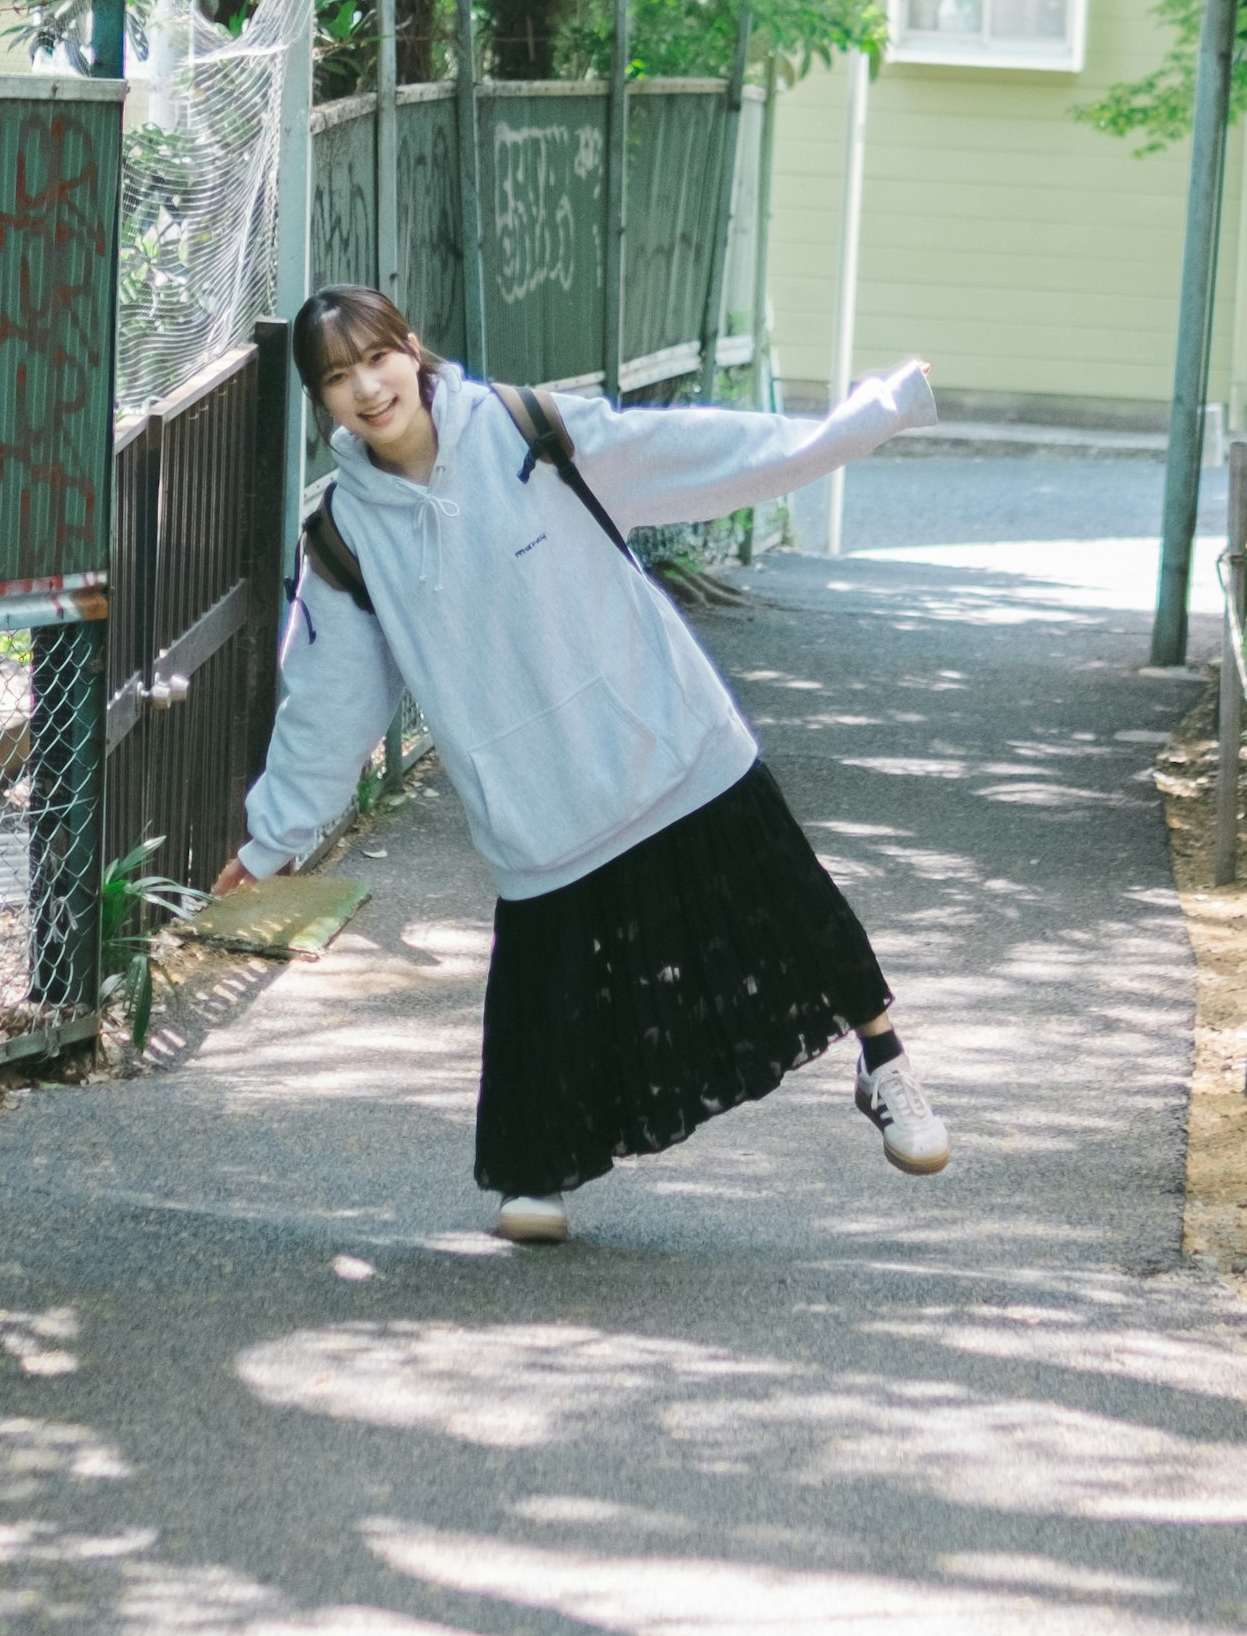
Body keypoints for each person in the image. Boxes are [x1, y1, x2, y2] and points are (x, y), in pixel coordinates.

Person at [212, 283, 946, 1246]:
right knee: (548, 996)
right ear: (322, 402)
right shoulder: (347, 540)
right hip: (538, 802)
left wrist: (862, 422)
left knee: (791, 909)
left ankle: (884, 1066)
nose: (367, 388)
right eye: (338, 377)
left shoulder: (530, 431)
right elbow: (327, 706)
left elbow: (710, 454)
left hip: (667, 738)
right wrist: (274, 842)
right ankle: (535, 1173)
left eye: (377, 359)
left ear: (414, 350)